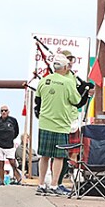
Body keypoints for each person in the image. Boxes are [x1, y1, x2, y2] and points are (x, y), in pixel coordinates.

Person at [35, 55, 83, 194]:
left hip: (44, 122)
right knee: (59, 156)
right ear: (65, 67)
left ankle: (41, 184)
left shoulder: (44, 81)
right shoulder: (68, 83)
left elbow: (38, 101)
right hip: (61, 124)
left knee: (43, 155)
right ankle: (55, 185)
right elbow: (77, 101)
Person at [0, 105, 21, 187]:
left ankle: (18, 178)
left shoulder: (13, 120)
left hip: (9, 145)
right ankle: (1, 180)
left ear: (8, 112)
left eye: (5, 110)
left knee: (12, 163)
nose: (4, 112)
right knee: (1, 163)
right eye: (2, 111)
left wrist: (10, 138)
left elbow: (16, 132)